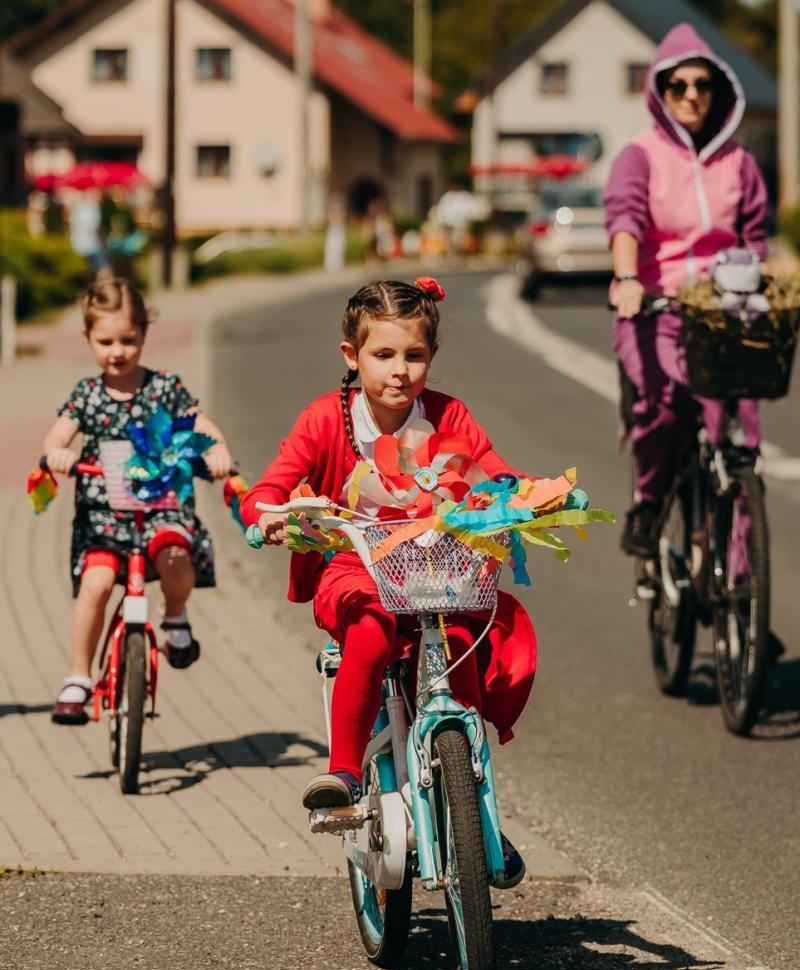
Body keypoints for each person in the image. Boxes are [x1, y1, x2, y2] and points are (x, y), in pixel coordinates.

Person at [239, 278, 538, 888]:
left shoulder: (450, 415)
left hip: (436, 566)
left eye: (415, 355)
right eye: (384, 355)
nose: (400, 371)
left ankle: (472, 812)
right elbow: (271, 486)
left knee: (466, 642)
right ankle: (346, 771)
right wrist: (267, 514)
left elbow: (494, 470)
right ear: (352, 356)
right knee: (370, 635)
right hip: (355, 567)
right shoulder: (326, 420)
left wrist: (519, 497)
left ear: (431, 356)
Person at [603, 23, 769, 558]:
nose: (692, 96)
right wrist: (628, 280)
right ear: (660, 91)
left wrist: (765, 286)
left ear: (719, 91)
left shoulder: (738, 160)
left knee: (741, 447)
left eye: (703, 85)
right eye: (679, 85)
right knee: (666, 406)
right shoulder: (640, 155)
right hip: (656, 304)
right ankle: (650, 501)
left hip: (726, 307)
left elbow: (755, 237)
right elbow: (624, 220)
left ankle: (741, 594)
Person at [43, 278, 233, 724]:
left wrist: (217, 449)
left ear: (144, 335)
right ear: (88, 339)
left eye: (128, 339)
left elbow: (200, 425)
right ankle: (78, 677)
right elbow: (58, 434)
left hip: (160, 505)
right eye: (105, 341)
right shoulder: (87, 396)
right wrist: (59, 453)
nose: (117, 351)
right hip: (104, 513)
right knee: (95, 584)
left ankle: (176, 616)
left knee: (175, 555)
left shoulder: (164, 388)